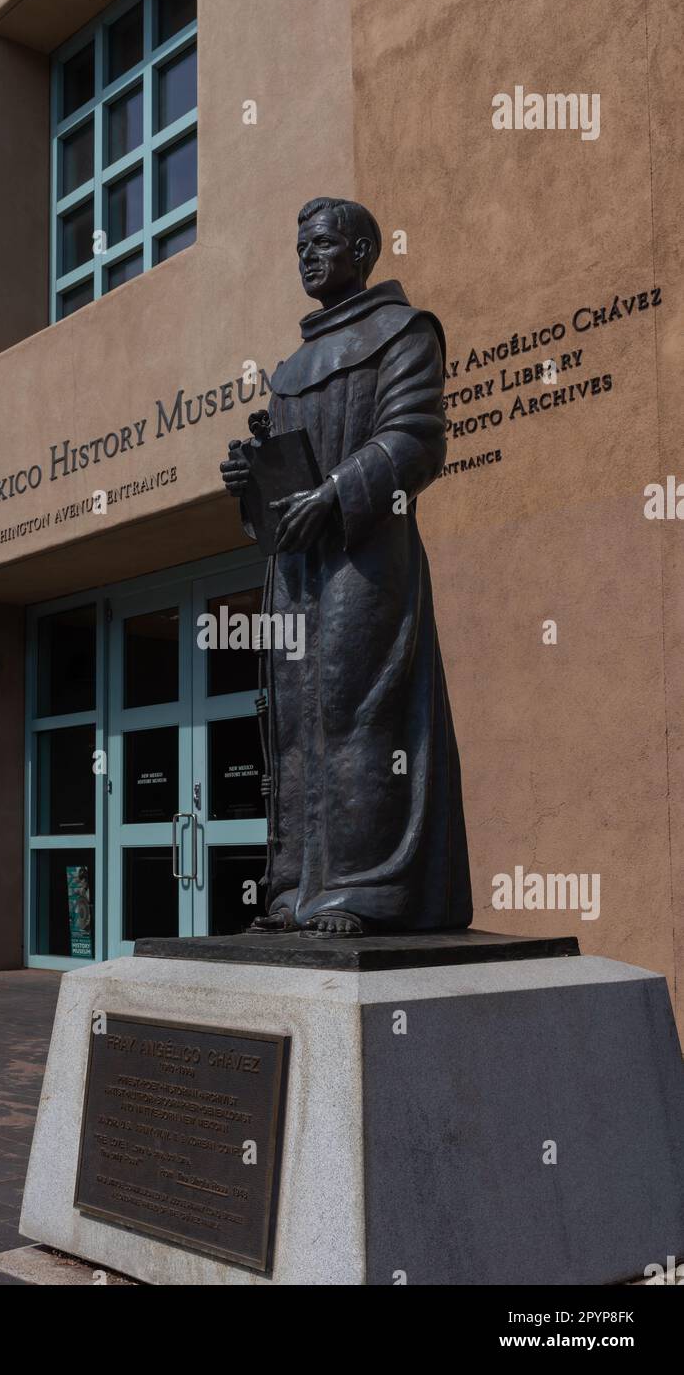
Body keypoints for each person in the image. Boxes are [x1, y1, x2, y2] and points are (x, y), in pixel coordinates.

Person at [220, 197, 472, 938]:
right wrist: (252, 484)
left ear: (363, 250)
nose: (307, 255)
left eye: (323, 242)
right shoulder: (292, 367)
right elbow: (279, 488)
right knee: (296, 722)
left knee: (357, 707)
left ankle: (364, 888)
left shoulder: (404, 332)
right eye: (300, 244)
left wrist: (332, 496)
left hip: (366, 555)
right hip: (297, 569)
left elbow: (416, 440)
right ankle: (296, 885)